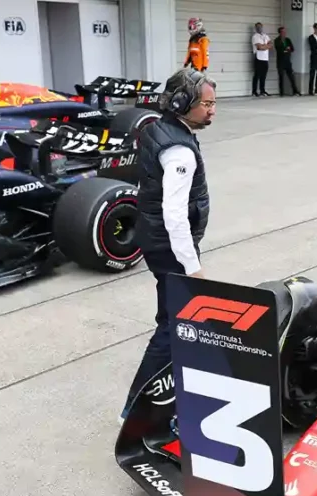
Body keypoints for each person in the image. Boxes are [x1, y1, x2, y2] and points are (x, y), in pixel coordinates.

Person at [119, 68, 216, 422]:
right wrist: (193, 267)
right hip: (171, 247)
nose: (212, 110)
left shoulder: (158, 128)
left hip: (155, 240)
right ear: (182, 103)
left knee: (176, 324)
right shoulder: (180, 151)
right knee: (174, 328)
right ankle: (135, 411)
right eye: (206, 104)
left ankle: (172, 395)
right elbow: (175, 215)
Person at [274, 27, 301, 96]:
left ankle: (295, 91)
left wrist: (286, 50)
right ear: (280, 33)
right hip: (280, 62)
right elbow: (279, 50)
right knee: (281, 77)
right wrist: (286, 49)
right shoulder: (277, 40)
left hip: (288, 61)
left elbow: (292, 49)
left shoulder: (288, 40)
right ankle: (281, 92)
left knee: (291, 76)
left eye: (285, 32)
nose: (284, 33)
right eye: (282, 32)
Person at [251, 23, 273, 97]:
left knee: (263, 75)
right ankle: (254, 91)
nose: (259, 28)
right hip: (258, 58)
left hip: (265, 58)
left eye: (260, 27)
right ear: (255, 28)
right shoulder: (255, 37)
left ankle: (262, 90)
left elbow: (271, 44)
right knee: (257, 75)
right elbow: (259, 47)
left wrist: (264, 46)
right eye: (257, 27)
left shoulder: (265, 36)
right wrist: (266, 46)